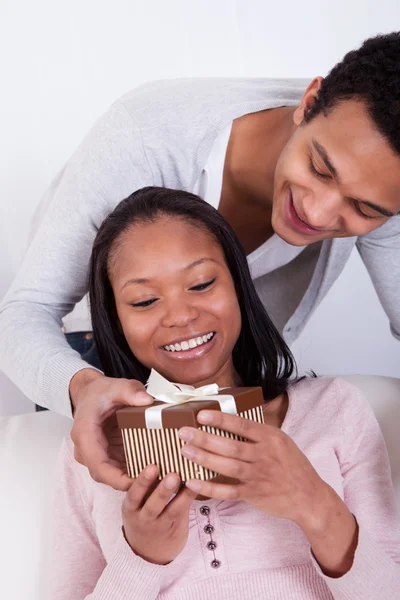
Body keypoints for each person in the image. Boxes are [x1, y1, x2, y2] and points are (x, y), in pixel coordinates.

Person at [1, 33, 400, 491]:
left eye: (365, 209)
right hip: (93, 358)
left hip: (233, 366)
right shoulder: (145, 137)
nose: (318, 213)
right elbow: (23, 313)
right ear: (309, 102)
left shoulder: (386, 179)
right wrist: (83, 388)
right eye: (319, 168)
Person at [50, 187, 400, 599]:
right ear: (115, 319)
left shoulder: (335, 409)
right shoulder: (92, 452)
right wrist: (140, 558)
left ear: (237, 284)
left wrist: (315, 505)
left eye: (200, 284)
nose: (180, 316)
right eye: (144, 301)